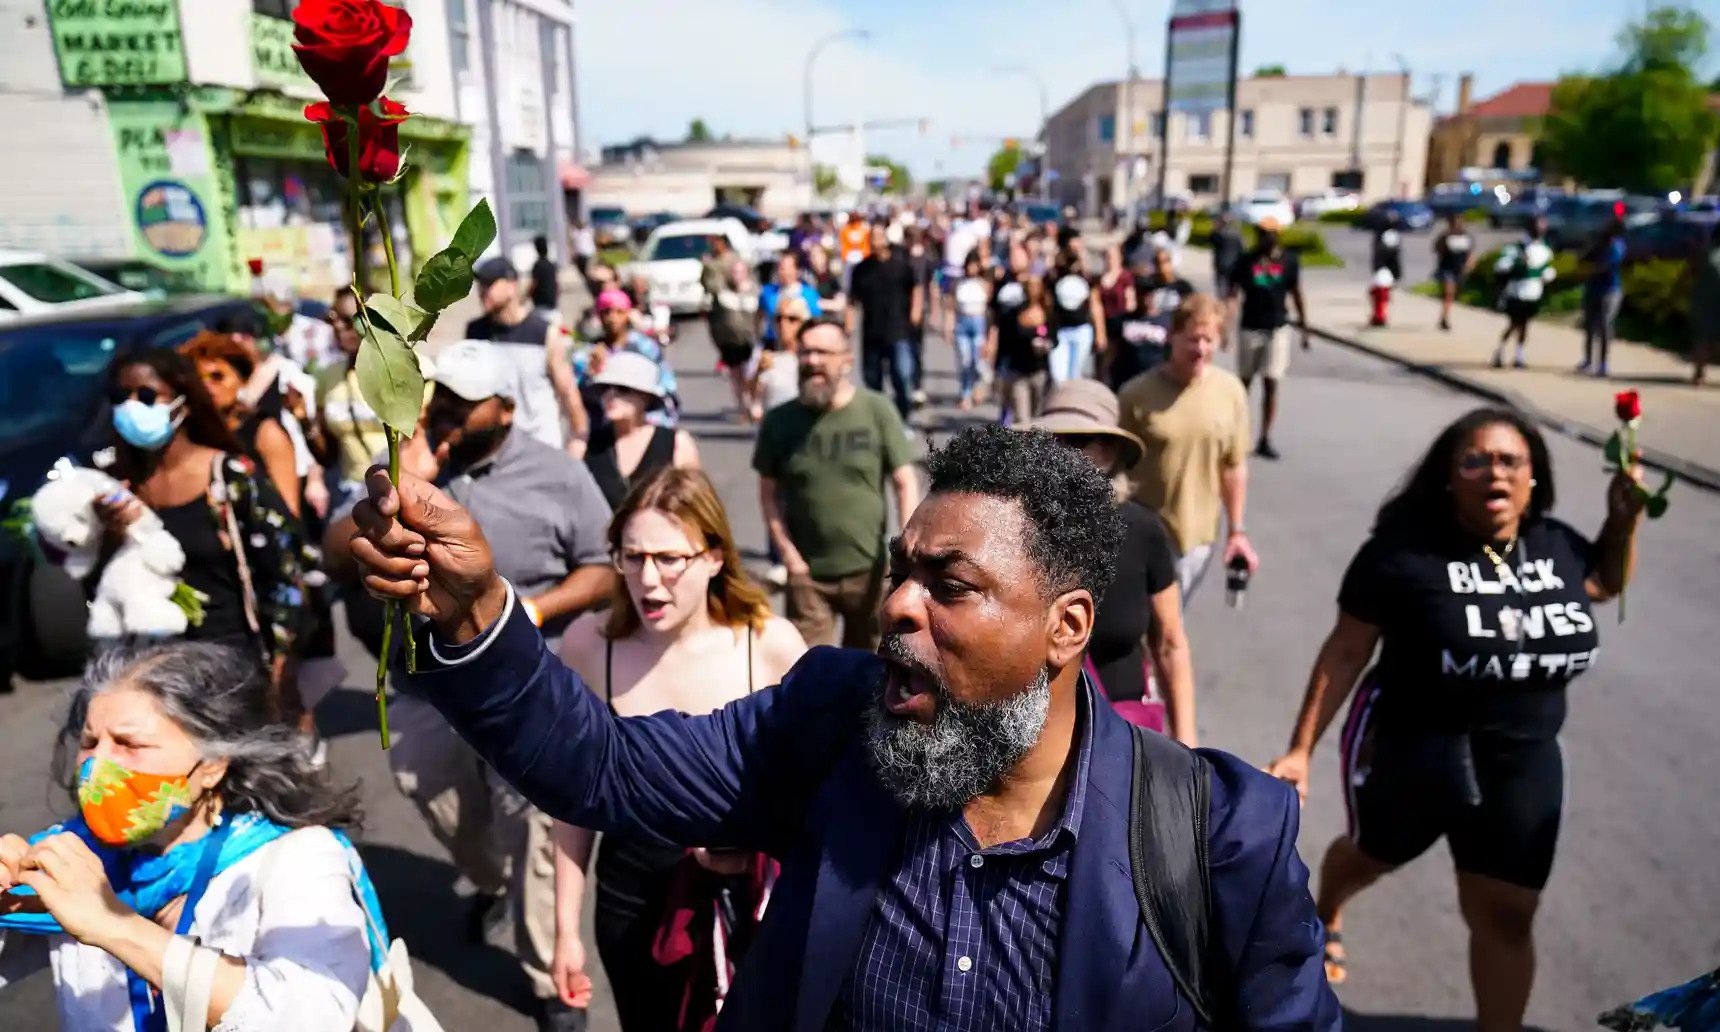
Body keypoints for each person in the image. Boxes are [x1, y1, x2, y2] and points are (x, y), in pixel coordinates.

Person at [346, 422, 1340, 1032]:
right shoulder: (828, 723)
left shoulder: (1219, 837)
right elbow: (601, 767)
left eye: (950, 586)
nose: (900, 608)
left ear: (1066, 628)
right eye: (902, 573)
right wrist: (474, 613)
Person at [1264, 407, 1644, 1030]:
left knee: (1507, 911)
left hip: (1523, 756)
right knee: (1370, 856)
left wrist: (1623, 521)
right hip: (1416, 747)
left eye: (1510, 460)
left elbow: (1601, 583)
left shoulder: (1556, 546)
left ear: (1533, 478)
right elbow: (1347, 650)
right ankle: (1328, 907)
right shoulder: (1402, 556)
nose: (1494, 471)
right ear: (1448, 476)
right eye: (1476, 459)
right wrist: (1301, 747)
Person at [324, 338, 616, 1032]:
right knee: (426, 787)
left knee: (535, 831)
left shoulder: (558, 475)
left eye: (463, 400)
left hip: (525, 683)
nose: (445, 411)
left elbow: (603, 568)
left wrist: (532, 612)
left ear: (507, 409)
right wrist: (394, 489)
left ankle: (550, 979)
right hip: (427, 685)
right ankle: (490, 882)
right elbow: (335, 554)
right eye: (439, 397)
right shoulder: (406, 469)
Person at [0, 642, 406, 1030]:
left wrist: (115, 925)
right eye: (90, 742)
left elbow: (313, 1016)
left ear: (212, 765)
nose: (97, 764)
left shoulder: (296, 856)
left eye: (129, 744)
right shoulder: (70, 857)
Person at [551, 469, 807, 1031]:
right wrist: (565, 930)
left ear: (715, 557)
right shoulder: (589, 647)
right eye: (632, 556)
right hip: (631, 900)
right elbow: (571, 806)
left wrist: (753, 848)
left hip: (749, 899)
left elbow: (814, 794)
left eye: (670, 559)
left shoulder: (769, 646)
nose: (649, 580)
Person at [91, 350, 307, 711]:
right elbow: (95, 583)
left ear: (183, 403)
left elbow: (285, 568)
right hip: (149, 671)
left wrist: (284, 661)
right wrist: (107, 534)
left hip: (231, 665)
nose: (131, 407)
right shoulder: (115, 484)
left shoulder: (229, 476)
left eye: (146, 396)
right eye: (119, 397)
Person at [1027, 380, 1196, 746]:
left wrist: (1187, 748)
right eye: (1047, 441)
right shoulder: (1011, 528)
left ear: (1107, 453)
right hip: (1026, 730)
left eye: (1075, 442)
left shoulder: (1143, 531)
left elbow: (1169, 642)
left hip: (1119, 733)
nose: (1057, 454)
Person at [753, 319, 919, 650]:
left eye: (823, 352)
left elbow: (904, 481)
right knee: (809, 675)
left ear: (846, 360)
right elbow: (768, 495)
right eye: (805, 352)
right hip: (808, 577)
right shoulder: (779, 422)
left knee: (871, 674)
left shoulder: (876, 410)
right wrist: (789, 557)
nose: (812, 361)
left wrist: (904, 552)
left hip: (871, 573)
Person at [1118, 294, 1259, 598]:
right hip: (1144, 533)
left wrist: (1237, 531)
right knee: (1155, 633)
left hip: (1198, 539)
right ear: (1173, 336)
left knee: (1174, 624)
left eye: (1209, 340)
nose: (1202, 349)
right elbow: (1113, 466)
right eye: (1193, 339)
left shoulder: (1230, 392)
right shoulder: (1136, 394)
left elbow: (1233, 466)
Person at [466, 256, 590, 456]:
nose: (482, 291)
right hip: (497, 454)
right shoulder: (476, 333)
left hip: (540, 449)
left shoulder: (543, 333)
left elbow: (568, 392)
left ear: (512, 286)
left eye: (489, 284)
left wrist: (578, 442)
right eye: (481, 285)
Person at [179, 331, 303, 519]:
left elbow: (289, 510)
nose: (207, 387)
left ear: (241, 379)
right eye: (199, 380)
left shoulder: (265, 433)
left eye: (217, 377)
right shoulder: (195, 436)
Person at [1225, 216, 1308, 460]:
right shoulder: (1246, 261)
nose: (1263, 237)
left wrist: (1304, 326)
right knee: (1243, 385)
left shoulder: (1289, 260)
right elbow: (1232, 296)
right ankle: (1235, 435)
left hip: (1277, 328)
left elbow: (1296, 292)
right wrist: (1225, 329)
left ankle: (1265, 438)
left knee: (1271, 382)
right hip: (1250, 327)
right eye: (1260, 232)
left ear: (1277, 235)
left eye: (1268, 233)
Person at [582, 351, 699, 511]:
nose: (611, 394)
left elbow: (694, 506)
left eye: (622, 389)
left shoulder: (677, 443)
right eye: (605, 388)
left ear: (645, 397)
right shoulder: (587, 444)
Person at [846, 225, 922, 419]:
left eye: (879, 236)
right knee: (872, 381)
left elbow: (916, 287)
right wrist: (848, 324)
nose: (874, 240)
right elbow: (852, 300)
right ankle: (880, 420)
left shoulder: (901, 265)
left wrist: (915, 311)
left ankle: (902, 418)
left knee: (902, 376)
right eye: (872, 237)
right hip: (872, 333)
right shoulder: (862, 269)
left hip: (898, 331)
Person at [701, 234, 759, 420]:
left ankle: (753, 404)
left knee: (751, 375)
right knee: (736, 375)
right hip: (730, 337)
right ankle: (743, 408)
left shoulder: (753, 289)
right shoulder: (719, 283)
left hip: (751, 339)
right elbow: (710, 289)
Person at [1491, 216, 1558, 370]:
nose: (1540, 230)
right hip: (1516, 291)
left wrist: (1548, 274)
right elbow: (1501, 266)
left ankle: (1519, 355)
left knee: (1525, 324)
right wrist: (1516, 265)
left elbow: (1546, 268)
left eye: (1542, 227)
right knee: (1514, 323)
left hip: (1533, 292)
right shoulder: (1516, 248)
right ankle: (1500, 351)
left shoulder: (1545, 249)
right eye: (1537, 227)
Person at [989, 243, 1036, 420]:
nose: (1015, 260)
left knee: (1022, 394)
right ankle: (1005, 427)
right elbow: (994, 314)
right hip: (1004, 345)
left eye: (1019, 256)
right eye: (1012, 256)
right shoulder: (1002, 281)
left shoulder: (1033, 284)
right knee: (1005, 393)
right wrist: (991, 340)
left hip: (1024, 348)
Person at [1049, 246, 1106, 384]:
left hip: (1082, 329)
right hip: (1061, 331)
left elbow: (1095, 305)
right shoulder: (1054, 279)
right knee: (1059, 375)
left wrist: (1100, 332)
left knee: (1077, 374)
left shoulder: (1085, 280)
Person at [1579, 216, 1628, 377]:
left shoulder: (1617, 246)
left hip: (1610, 291)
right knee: (1589, 327)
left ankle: (1603, 363)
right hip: (1593, 289)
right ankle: (1587, 360)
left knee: (1604, 327)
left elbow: (1606, 266)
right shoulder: (1599, 245)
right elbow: (1583, 258)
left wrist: (1588, 271)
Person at [1007, 275, 1056, 421]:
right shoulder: (1017, 312)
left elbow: (1055, 337)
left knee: (1037, 416)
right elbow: (1012, 336)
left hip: (1039, 371)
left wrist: (1047, 344)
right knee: (1022, 418)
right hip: (1019, 371)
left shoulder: (1047, 312)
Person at [752, 294, 811, 417]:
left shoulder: (812, 358)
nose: (783, 324)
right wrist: (758, 373)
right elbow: (755, 402)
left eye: (792, 319)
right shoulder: (767, 359)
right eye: (779, 318)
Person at [949, 252, 991, 410]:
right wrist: (949, 325)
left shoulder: (983, 283)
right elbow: (951, 306)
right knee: (965, 360)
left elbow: (989, 308)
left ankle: (977, 385)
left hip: (978, 321)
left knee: (977, 361)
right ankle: (965, 393)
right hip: (962, 322)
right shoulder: (959, 284)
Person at [756, 251, 821, 350]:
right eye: (782, 268)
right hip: (772, 343)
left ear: (797, 270)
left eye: (789, 268)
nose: (785, 272)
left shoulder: (809, 294)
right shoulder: (767, 292)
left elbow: (816, 320)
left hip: (800, 344)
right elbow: (759, 316)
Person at [1096, 243, 1136, 381]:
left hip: (1119, 322)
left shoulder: (1125, 277)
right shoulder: (1100, 279)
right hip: (1103, 323)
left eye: (1112, 256)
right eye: (1107, 256)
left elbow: (1130, 302)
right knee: (1102, 361)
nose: (1110, 259)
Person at [1434, 212, 1477, 331]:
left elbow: (1470, 253)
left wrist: (1469, 265)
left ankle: (1445, 315)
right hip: (1447, 268)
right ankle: (1444, 318)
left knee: (1453, 295)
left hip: (1459, 269)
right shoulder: (1445, 236)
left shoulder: (1466, 237)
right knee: (1449, 293)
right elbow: (1438, 250)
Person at [1691, 220, 1720, 387]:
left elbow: (1690, 271)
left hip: (1704, 301)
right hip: (1709, 300)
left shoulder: (1705, 252)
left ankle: (1699, 374)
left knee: (1703, 337)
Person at [1369, 209, 1404, 328]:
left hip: (1384, 268)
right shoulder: (1393, 235)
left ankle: (1380, 315)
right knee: (1380, 293)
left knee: (1380, 293)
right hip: (1387, 268)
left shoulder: (1384, 235)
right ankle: (1379, 315)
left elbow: (1381, 253)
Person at [1210, 210, 1245, 300]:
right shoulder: (1237, 235)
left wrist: (1215, 228)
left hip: (1222, 266)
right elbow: (1242, 251)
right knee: (1232, 294)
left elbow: (1211, 240)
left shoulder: (1218, 235)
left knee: (1221, 293)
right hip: (1234, 266)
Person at [529, 233, 562, 318]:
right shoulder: (551, 265)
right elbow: (557, 284)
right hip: (552, 304)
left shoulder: (538, 265)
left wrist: (525, 296)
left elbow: (534, 284)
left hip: (541, 305)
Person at [571, 218, 597, 286]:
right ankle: (588, 281)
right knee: (582, 270)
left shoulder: (588, 232)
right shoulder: (575, 233)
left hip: (589, 254)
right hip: (580, 255)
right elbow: (574, 245)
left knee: (588, 270)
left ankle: (591, 283)